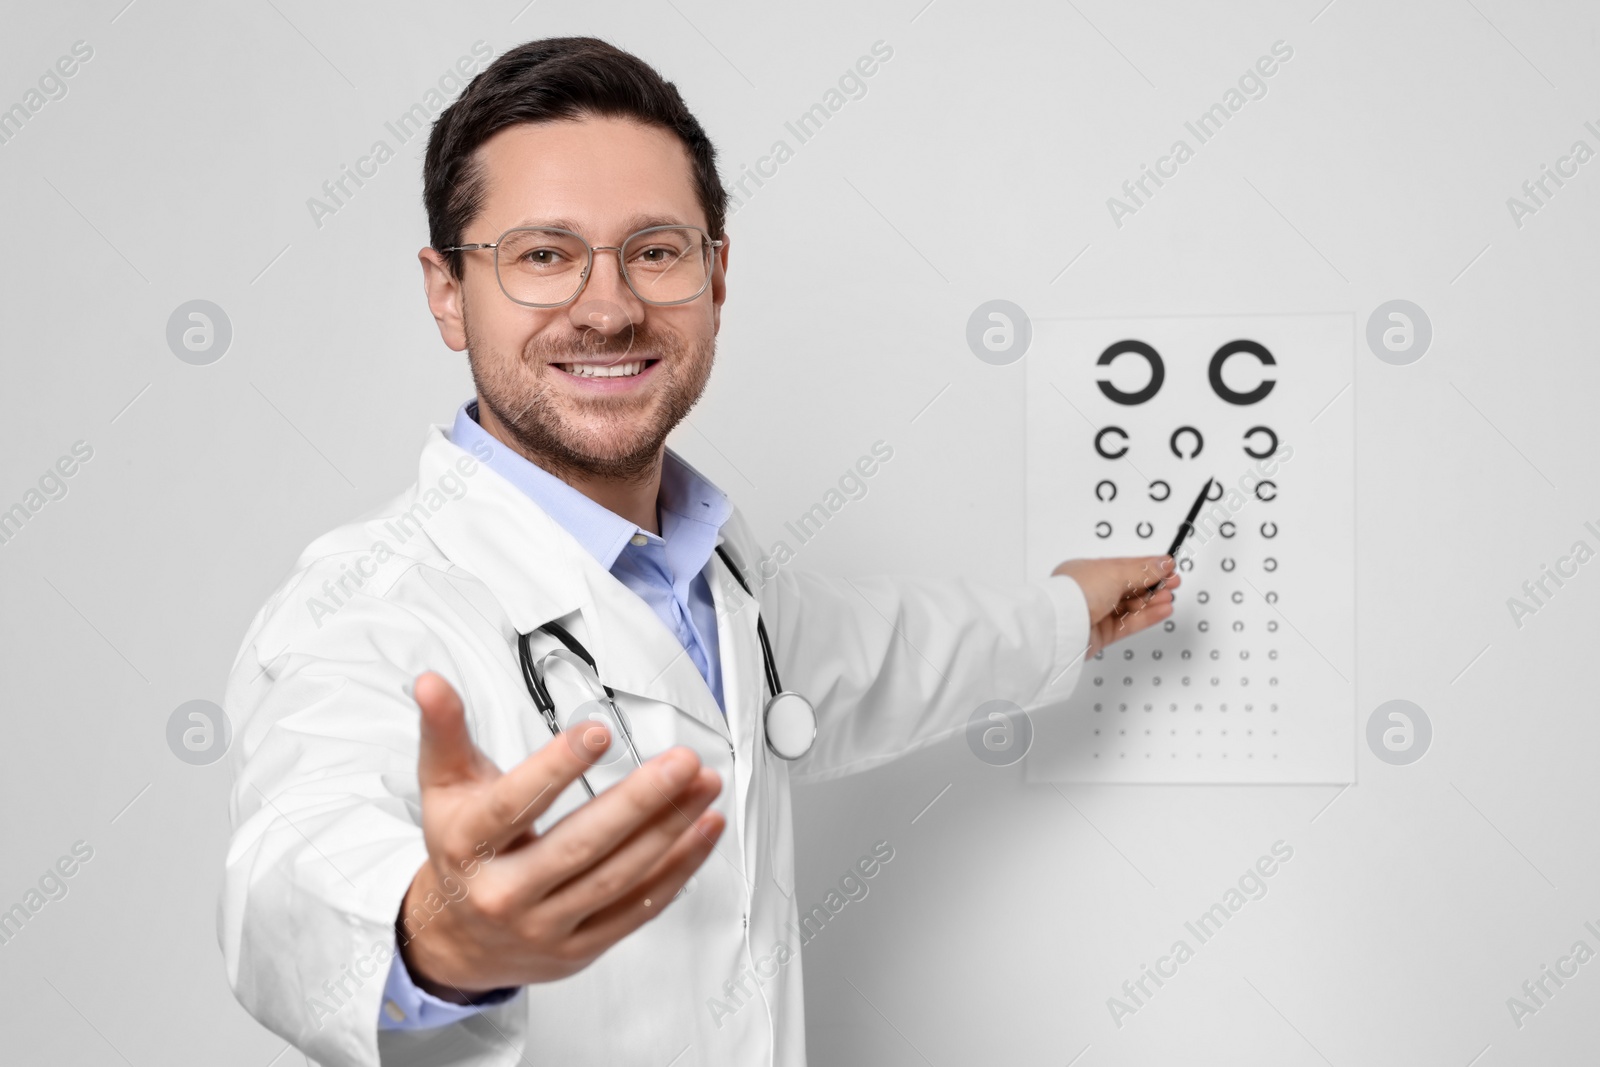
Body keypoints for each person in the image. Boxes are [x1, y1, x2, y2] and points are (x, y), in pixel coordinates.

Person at [217, 36, 1178, 1067]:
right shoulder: (365, 607)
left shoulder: (712, 573)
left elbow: (884, 654)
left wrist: (1066, 615)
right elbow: (291, 866)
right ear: (448, 289)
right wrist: (435, 940)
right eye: (543, 254)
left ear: (716, 275)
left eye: (656, 250)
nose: (608, 306)